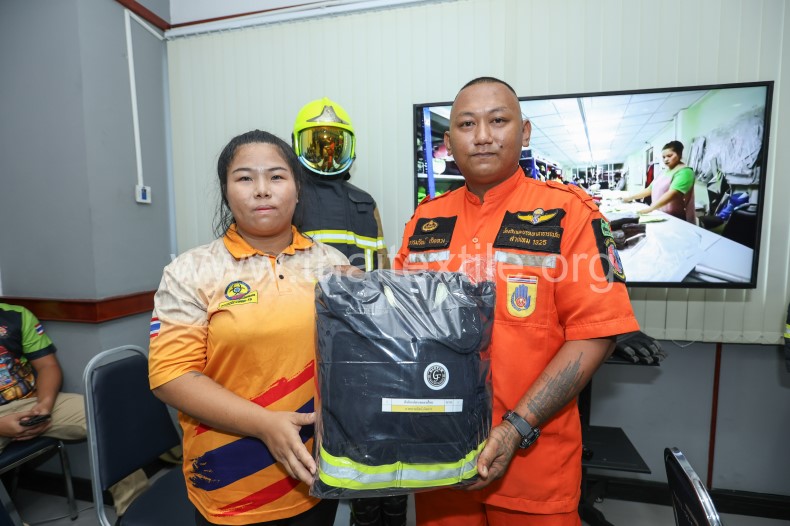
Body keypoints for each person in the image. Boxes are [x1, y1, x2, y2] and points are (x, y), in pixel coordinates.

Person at [393, 77, 639, 525]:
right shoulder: (425, 221)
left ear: (524, 132)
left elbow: (596, 335)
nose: (482, 136)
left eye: (498, 121)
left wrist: (515, 428)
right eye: (467, 124)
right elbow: (397, 332)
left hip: (535, 470)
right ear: (450, 141)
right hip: (441, 466)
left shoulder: (570, 214)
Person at [148, 130, 349, 525]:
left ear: (297, 189)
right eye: (244, 178)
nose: (262, 189)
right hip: (231, 480)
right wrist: (264, 424)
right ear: (226, 193)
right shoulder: (190, 270)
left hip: (316, 469)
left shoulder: (333, 265)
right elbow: (170, 376)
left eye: (276, 176)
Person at [0, 303, 147, 517]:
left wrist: (44, 405)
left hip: (30, 402)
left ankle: (135, 511)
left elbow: (47, 366)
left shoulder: (16, 315)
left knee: (106, 419)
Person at [292, 97, 389, 272]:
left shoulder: (364, 203)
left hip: (362, 290)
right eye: (318, 145)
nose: (326, 154)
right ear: (296, 144)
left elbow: (382, 262)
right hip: (306, 290)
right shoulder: (290, 198)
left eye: (335, 145)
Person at [621, 140, 696, 223]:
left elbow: (673, 193)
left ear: (679, 154)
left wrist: (651, 208)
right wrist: (630, 198)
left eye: (669, 156)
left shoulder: (685, 172)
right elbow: (649, 190)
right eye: (663, 157)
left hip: (676, 218)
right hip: (660, 215)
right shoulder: (663, 172)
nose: (666, 159)